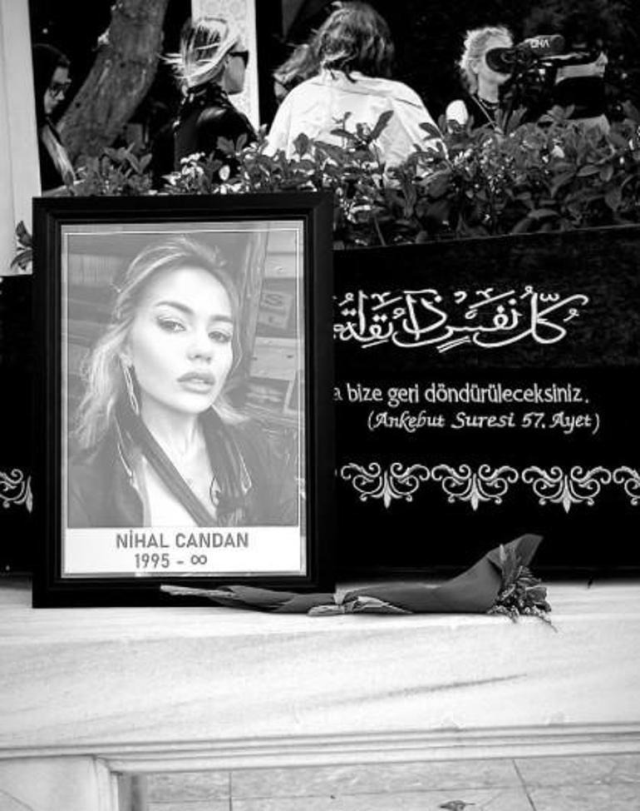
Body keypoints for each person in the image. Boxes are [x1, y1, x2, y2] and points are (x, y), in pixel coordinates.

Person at [69, 236, 298, 529]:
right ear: (125, 346)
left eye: (219, 335)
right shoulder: (82, 487)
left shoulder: (255, 447)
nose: (204, 349)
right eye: (173, 324)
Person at [266, 2, 442, 169]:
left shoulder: (301, 96)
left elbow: (271, 166)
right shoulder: (397, 97)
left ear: (325, 44)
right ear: (380, 49)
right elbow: (434, 165)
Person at [168, 16, 256, 176]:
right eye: (244, 56)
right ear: (227, 59)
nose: (246, 66)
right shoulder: (227, 120)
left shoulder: (183, 120)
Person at [445, 26, 514, 129]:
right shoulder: (460, 109)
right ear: (475, 65)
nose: (504, 63)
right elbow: (457, 139)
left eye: (508, 56)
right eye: (496, 57)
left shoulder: (516, 106)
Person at [32, 43, 77, 192]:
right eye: (55, 87)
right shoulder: (15, 135)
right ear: (38, 82)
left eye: (64, 88)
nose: (61, 96)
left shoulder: (47, 129)